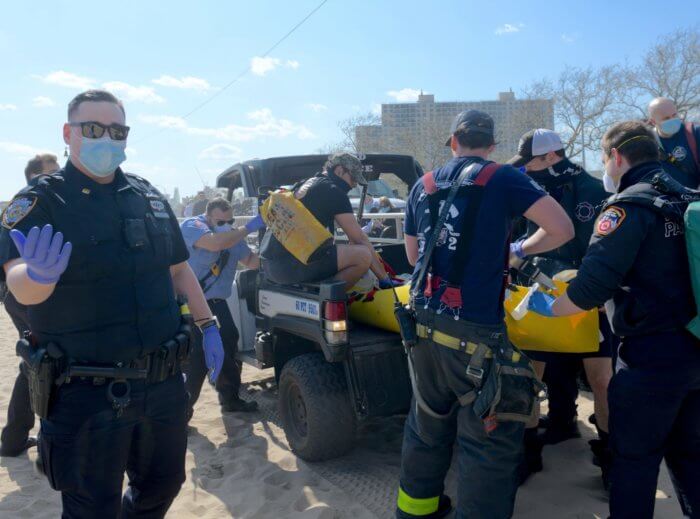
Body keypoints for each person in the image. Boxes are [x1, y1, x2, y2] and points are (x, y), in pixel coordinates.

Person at [0, 89, 225, 518]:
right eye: (93, 128)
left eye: (117, 130)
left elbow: (179, 270)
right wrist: (37, 276)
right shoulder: (41, 202)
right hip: (83, 393)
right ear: (68, 133)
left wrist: (208, 324)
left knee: (163, 486)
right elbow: (17, 280)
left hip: (160, 383)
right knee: (91, 508)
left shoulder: (148, 196)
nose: (107, 138)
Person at [396, 110, 574, 518]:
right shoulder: (504, 178)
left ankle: (415, 512)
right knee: (487, 446)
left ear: (452, 142)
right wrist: (517, 250)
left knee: (425, 429)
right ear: (491, 146)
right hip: (474, 334)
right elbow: (562, 229)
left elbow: (412, 255)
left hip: (423, 326)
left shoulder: (423, 184)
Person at [528, 120, 700, 518]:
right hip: (695, 350)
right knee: (690, 455)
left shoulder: (627, 207)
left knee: (634, 459)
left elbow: (589, 289)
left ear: (616, 157)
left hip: (651, 357)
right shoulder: (688, 199)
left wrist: (549, 309)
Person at [507, 129, 614, 485]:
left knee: (602, 381)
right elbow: (517, 237)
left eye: (531, 162)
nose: (526, 168)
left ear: (552, 157)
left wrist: (602, 291)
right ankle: (528, 453)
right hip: (538, 291)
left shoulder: (594, 191)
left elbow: (608, 247)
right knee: (528, 376)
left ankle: (611, 460)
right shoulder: (528, 189)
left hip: (588, 295)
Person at [0, 153, 60, 457]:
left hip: (26, 296)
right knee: (44, 361)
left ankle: (13, 439)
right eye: (52, 173)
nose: (58, 177)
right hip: (26, 295)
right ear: (36, 175)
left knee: (35, 360)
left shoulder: (40, 201)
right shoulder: (28, 202)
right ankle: (24, 438)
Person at [181, 197, 263, 417]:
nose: (226, 225)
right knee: (197, 356)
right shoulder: (193, 226)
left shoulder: (233, 236)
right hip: (193, 303)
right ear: (208, 217)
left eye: (230, 221)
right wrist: (249, 227)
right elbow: (215, 243)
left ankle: (231, 399)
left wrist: (273, 252)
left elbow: (251, 261)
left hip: (217, 303)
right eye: (220, 222)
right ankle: (182, 413)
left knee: (228, 343)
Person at [260, 152, 391, 288]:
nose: (354, 185)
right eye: (353, 179)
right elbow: (359, 239)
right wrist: (385, 278)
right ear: (339, 171)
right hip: (289, 267)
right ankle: (326, 297)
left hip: (270, 265)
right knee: (363, 256)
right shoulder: (333, 190)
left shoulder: (306, 183)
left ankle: (323, 288)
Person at [648, 97, 700, 188]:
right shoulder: (650, 144)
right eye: (666, 118)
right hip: (669, 196)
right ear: (653, 122)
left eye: (674, 115)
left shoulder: (695, 132)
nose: (672, 120)